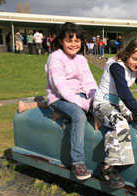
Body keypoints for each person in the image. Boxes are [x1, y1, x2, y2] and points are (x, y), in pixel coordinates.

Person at [92, 38, 137, 189]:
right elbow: (124, 91)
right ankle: (108, 167)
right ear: (127, 54)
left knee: (132, 117)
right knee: (121, 123)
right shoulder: (116, 67)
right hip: (102, 104)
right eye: (135, 59)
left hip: (117, 105)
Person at [45, 22, 98, 180]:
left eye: (76, 40)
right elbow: (61, 88)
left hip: (78, 95)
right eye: (69, 40)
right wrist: (84, 105)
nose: (73, 44)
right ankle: (78, 162)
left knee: (102, 110)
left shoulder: (82, 59)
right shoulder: (55, 58)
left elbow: (89, 82)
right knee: (79, 116)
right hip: (59, 98)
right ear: (61, 41)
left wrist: (95, 99)